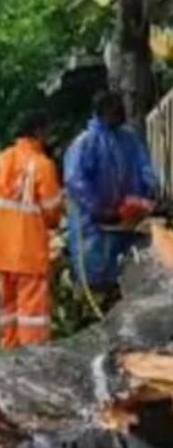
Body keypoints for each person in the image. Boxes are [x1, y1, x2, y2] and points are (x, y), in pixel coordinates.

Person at [64, 91, 159, 301]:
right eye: (116, 110)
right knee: (96, 274)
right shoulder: (85, 143)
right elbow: (76, 181)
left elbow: (145, 168)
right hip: (95, 226)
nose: (122, 113)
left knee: (129, 266)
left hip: (128, 222)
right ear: (103, 112)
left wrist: (149, 194)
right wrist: (100, 209)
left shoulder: (129, 138)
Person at [0, 111, 63, 349]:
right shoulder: (43, 165)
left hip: (1, 250)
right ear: (38, 132)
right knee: (32, 315)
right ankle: (32, 359)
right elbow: (52, 212)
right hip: (29, 254)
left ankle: (9, 354)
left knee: (8, 309)